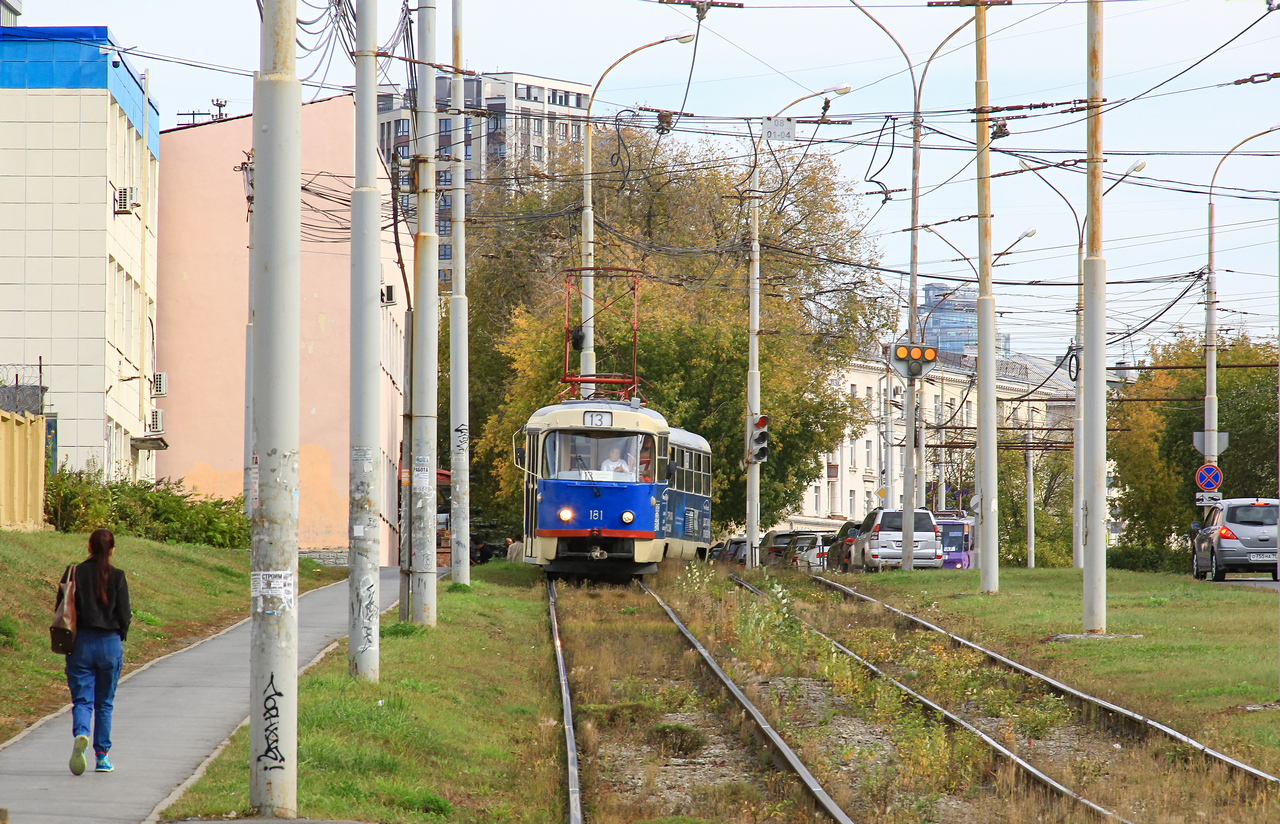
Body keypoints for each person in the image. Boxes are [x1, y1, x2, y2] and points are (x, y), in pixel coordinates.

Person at [56, 528, 130, 776]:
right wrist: (120, 637)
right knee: (105, 703)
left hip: (80, 644)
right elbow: (125, 614)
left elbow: (61, 608)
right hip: (110, 644)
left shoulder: (73, 572)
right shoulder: (117, 576)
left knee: (82, 700)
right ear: (112, 550)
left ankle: (81, 734)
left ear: (89, 547)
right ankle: (102, 757)